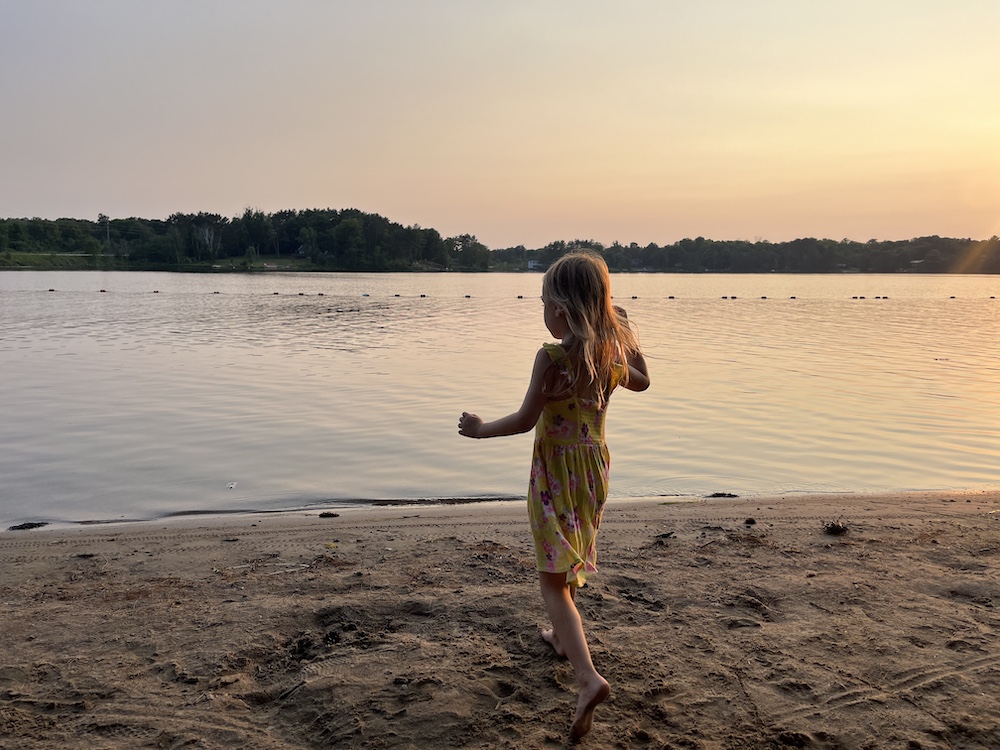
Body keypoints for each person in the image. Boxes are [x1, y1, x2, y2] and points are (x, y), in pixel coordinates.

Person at [458, 252, 649, 740]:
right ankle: (563, 641)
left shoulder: (555, 356)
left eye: (544, 302)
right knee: (568, 556)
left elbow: (524, 421)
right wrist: (627, 331)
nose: (542, 312)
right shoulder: (607, 355)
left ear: (562, 308)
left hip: (556, 472)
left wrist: (479, 431)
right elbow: (644, 382)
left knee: (551, 579)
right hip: (595, 471)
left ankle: (588, 678)